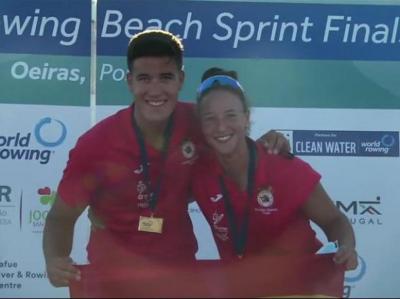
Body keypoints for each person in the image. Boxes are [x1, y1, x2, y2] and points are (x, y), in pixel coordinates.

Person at [42, 29, 290, 290]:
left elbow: (237, 148)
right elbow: (61, 217)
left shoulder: (199, 123)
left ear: (180, 80)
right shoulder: (95, 144)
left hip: (179, 277)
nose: (155, 90)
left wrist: (270, 143)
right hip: (113, 282)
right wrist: (55, 258)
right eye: (145, 78)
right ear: (130, 82)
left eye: (166, 77)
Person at [191, 67, 358, 297]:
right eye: (210, 118)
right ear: (200, 124)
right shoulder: (197, 172)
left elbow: (333, 219)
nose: (221, 127)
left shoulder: (281, 165)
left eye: (231, 115)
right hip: (244, 289)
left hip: (301, 289)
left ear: (246, 117)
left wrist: (346, 246)